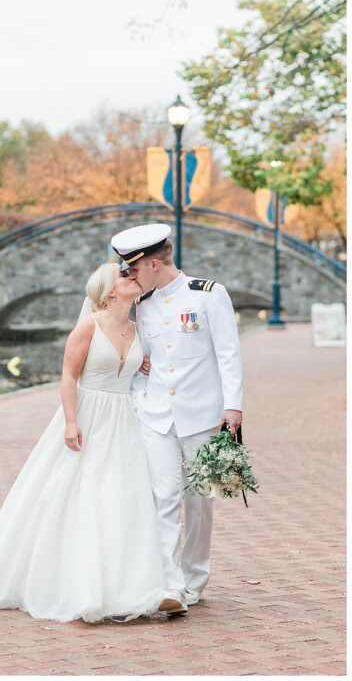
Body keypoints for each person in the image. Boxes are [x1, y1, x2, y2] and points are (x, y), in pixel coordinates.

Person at [0, 263, 176, 622]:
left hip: (123, 423)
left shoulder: (137, 329)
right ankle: (73, 583)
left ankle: (127, 584)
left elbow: (134, 368)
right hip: (88, 415)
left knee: (122, 499)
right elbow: (68, 377)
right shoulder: (88, 326)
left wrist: (143, 365)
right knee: (76, 493)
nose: (132, 277)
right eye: (124, 276)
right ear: (108, 291)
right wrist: (71, 421)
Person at [113, 223, 243, 609]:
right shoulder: (144, 303)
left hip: (201, 416)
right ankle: (169, 585)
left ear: (154, 263)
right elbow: (141, 362)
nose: (128, 275)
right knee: (164, 497)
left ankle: (194, 578)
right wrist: (138, 400)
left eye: (132, 268)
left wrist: (233, 406)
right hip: (156, 416)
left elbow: (229, 353)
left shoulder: (209, 294)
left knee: (199, 499)